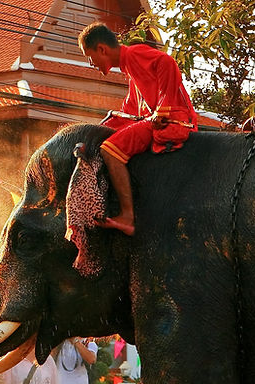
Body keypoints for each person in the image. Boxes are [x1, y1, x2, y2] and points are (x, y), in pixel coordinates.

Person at [78, 22, 198, 236]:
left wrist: (164, 109)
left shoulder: (134, 54)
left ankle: (127, 216)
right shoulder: (130, 70)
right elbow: (129, 113)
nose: (92, 63)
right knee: (106, 139)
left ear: (102, 49)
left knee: (110, 151)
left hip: (173, 122)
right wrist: (95, 133)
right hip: (153, 122)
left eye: (90, 56)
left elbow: (167, 62)